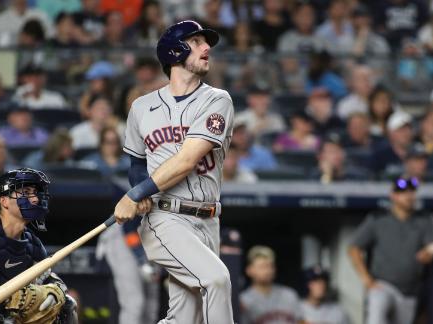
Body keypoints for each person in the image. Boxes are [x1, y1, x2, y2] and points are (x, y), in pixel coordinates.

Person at [113, 20, 234, 323]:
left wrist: (135, 194)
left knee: (184, 317)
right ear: (174, 51)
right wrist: (138, 193)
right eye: (196, 42)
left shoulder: (217, 100)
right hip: (165, 216)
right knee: (216, 280)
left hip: (208, 221)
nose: (207, 48)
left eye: (206, 43)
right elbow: (137, 165)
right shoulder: (141, 107)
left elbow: (186, 161)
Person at [0, 167, 78, 324]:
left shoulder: (32, 246)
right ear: (4, 201)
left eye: (35, 193)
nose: (35, 199)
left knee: (67, 306)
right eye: (25, 192)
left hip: (5, 319)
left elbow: (50, 281)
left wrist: (54, 293)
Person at [349, 176, 433, 324]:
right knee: (376, 316)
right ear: (393, 195)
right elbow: (354, 248)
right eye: (403, 192)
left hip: (410, 290)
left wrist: (429, 253)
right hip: (382, 285)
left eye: (411, 192)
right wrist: (367, 280)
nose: (409, 196)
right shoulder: (378, 218)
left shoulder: (425, 218)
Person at [240, 245, 302, 324]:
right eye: (262, 266)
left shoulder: (289, 295)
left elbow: (301, 321)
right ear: (249, 270)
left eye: (270, 266)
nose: (268, 271)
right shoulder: (244, 301)